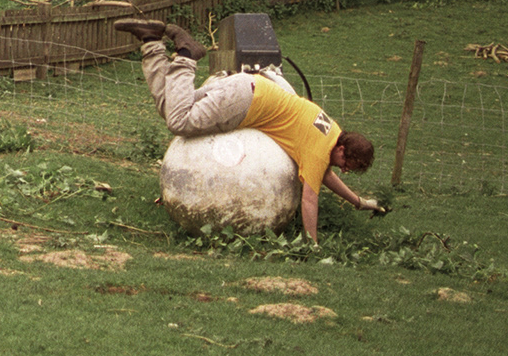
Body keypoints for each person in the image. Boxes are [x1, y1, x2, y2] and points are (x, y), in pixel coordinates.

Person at [115, 18, 383, 242]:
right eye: (346, 164)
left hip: (244, 87)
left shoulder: (331, 130)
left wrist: (358, 202)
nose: (344, 169)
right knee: (179, 122)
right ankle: (187, 54)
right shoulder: (318, 152)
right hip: (243, 103)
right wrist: (311, 245)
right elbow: (310, 200)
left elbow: (325, 174)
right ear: (342, 149)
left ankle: (151, 42)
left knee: (171, 106)